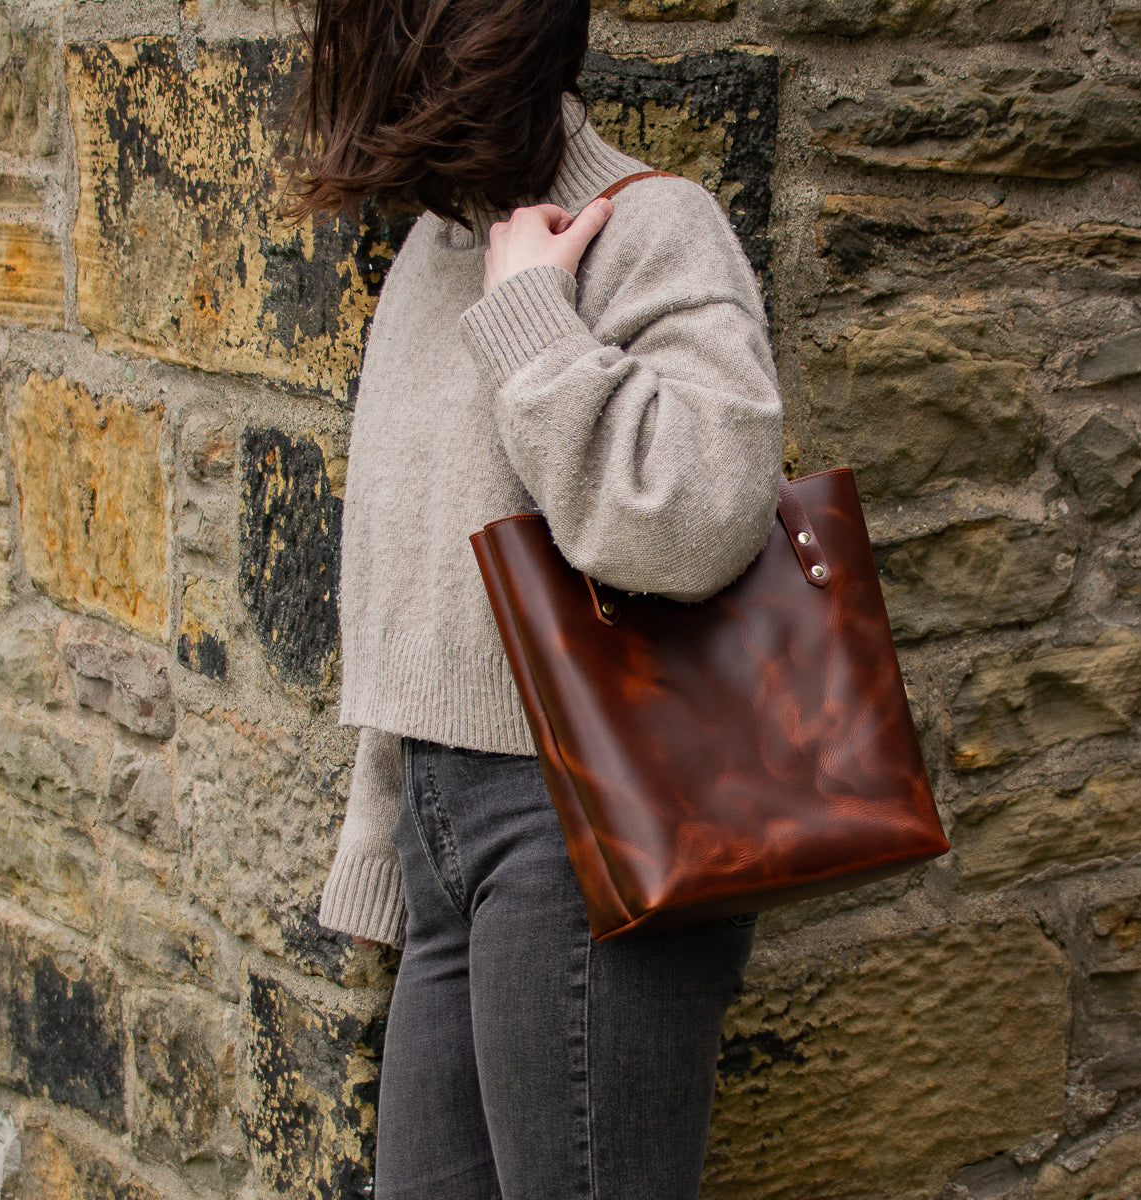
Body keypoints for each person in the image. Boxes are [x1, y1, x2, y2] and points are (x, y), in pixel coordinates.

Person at [281, 2, 784, 1196]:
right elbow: (425, 589)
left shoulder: (649, 226)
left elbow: (703, 514)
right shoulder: (433, 250)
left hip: (593, 831)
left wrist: (534, 324)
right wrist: (384, 838)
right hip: (448, 835)